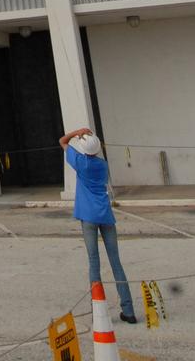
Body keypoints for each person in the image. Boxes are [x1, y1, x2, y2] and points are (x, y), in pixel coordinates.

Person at [60, 127, 137, 324]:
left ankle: (99, 311)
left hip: (88, 216)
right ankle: (128, 310)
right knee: (116, 262)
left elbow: (62, 141)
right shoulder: (103, 165)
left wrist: (77, 132)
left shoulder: (81, 163)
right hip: (105, 215)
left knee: (94, 262)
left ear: (84, 149)